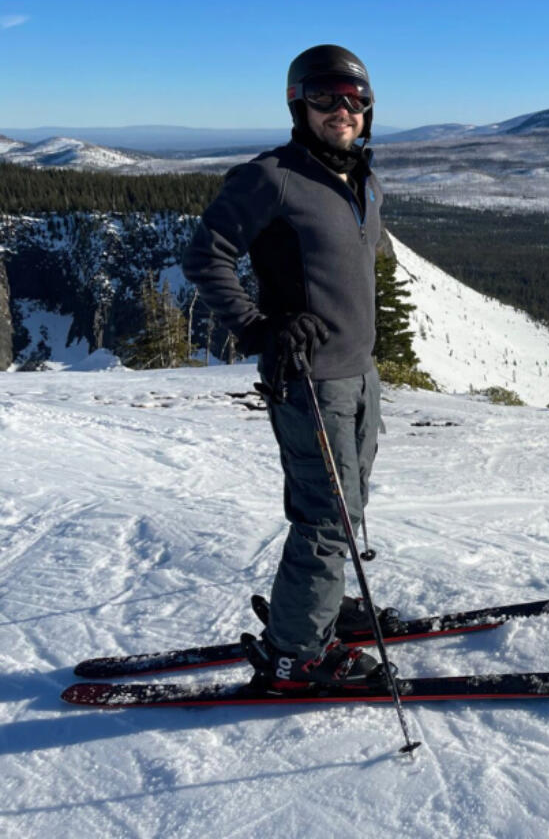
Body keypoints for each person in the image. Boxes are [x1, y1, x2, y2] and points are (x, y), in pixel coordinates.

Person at [182, 45, 386, 685]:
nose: (341, 110)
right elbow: (205, 256)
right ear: (299, 104)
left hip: (360, 374)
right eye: (325, 97)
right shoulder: (271, 176)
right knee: (325, 516)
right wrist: (258, 326)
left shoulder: (363, 178)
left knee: (346, 509)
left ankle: (320, 607)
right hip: (308, 380)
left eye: (353, 98)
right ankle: (297, 652)